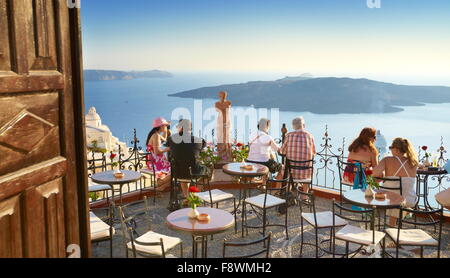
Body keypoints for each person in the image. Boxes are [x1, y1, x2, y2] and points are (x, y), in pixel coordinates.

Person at [373, 138, 419, 226]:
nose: (390, 149)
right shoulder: (414, 162)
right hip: (409, 199)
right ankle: (395, 222)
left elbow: (374, 173)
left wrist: (383, 175)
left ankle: (386, 223)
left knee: (390, 194)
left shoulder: (387, 160)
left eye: (391, 147)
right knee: (398, 195)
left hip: (389, 198)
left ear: (397, 149)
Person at [168, 119, 207, 198]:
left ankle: (187, 197)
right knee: (209, 171)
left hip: (178, 173)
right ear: (190, 128)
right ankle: (195, 196)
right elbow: (201, 150)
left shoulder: (171, 139)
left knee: (184, 173)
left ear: (180, 128)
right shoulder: (199, 141)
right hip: (193, 172)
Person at [280, 117, 316, 193]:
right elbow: (314, 153)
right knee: (310, 168)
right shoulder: (310, 136)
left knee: (283, 168)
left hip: (291, 172)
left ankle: (288, 192)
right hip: (305, 172)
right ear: (304, 125)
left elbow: (282, 151)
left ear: (293, 126)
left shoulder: (288, 135)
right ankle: (305, 195)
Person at [146, 117, 171, 192]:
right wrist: (168, 149)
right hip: (156, 163)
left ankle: (161, 186)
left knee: (176, 171)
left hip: (156, 161)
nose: (166, 127)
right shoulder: (156, 135)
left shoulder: (156, 135)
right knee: (176, 170)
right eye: (165, 125)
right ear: (161, 126)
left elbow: (164, 139)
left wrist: (166, 131)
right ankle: (161, 183)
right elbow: (157, 152)